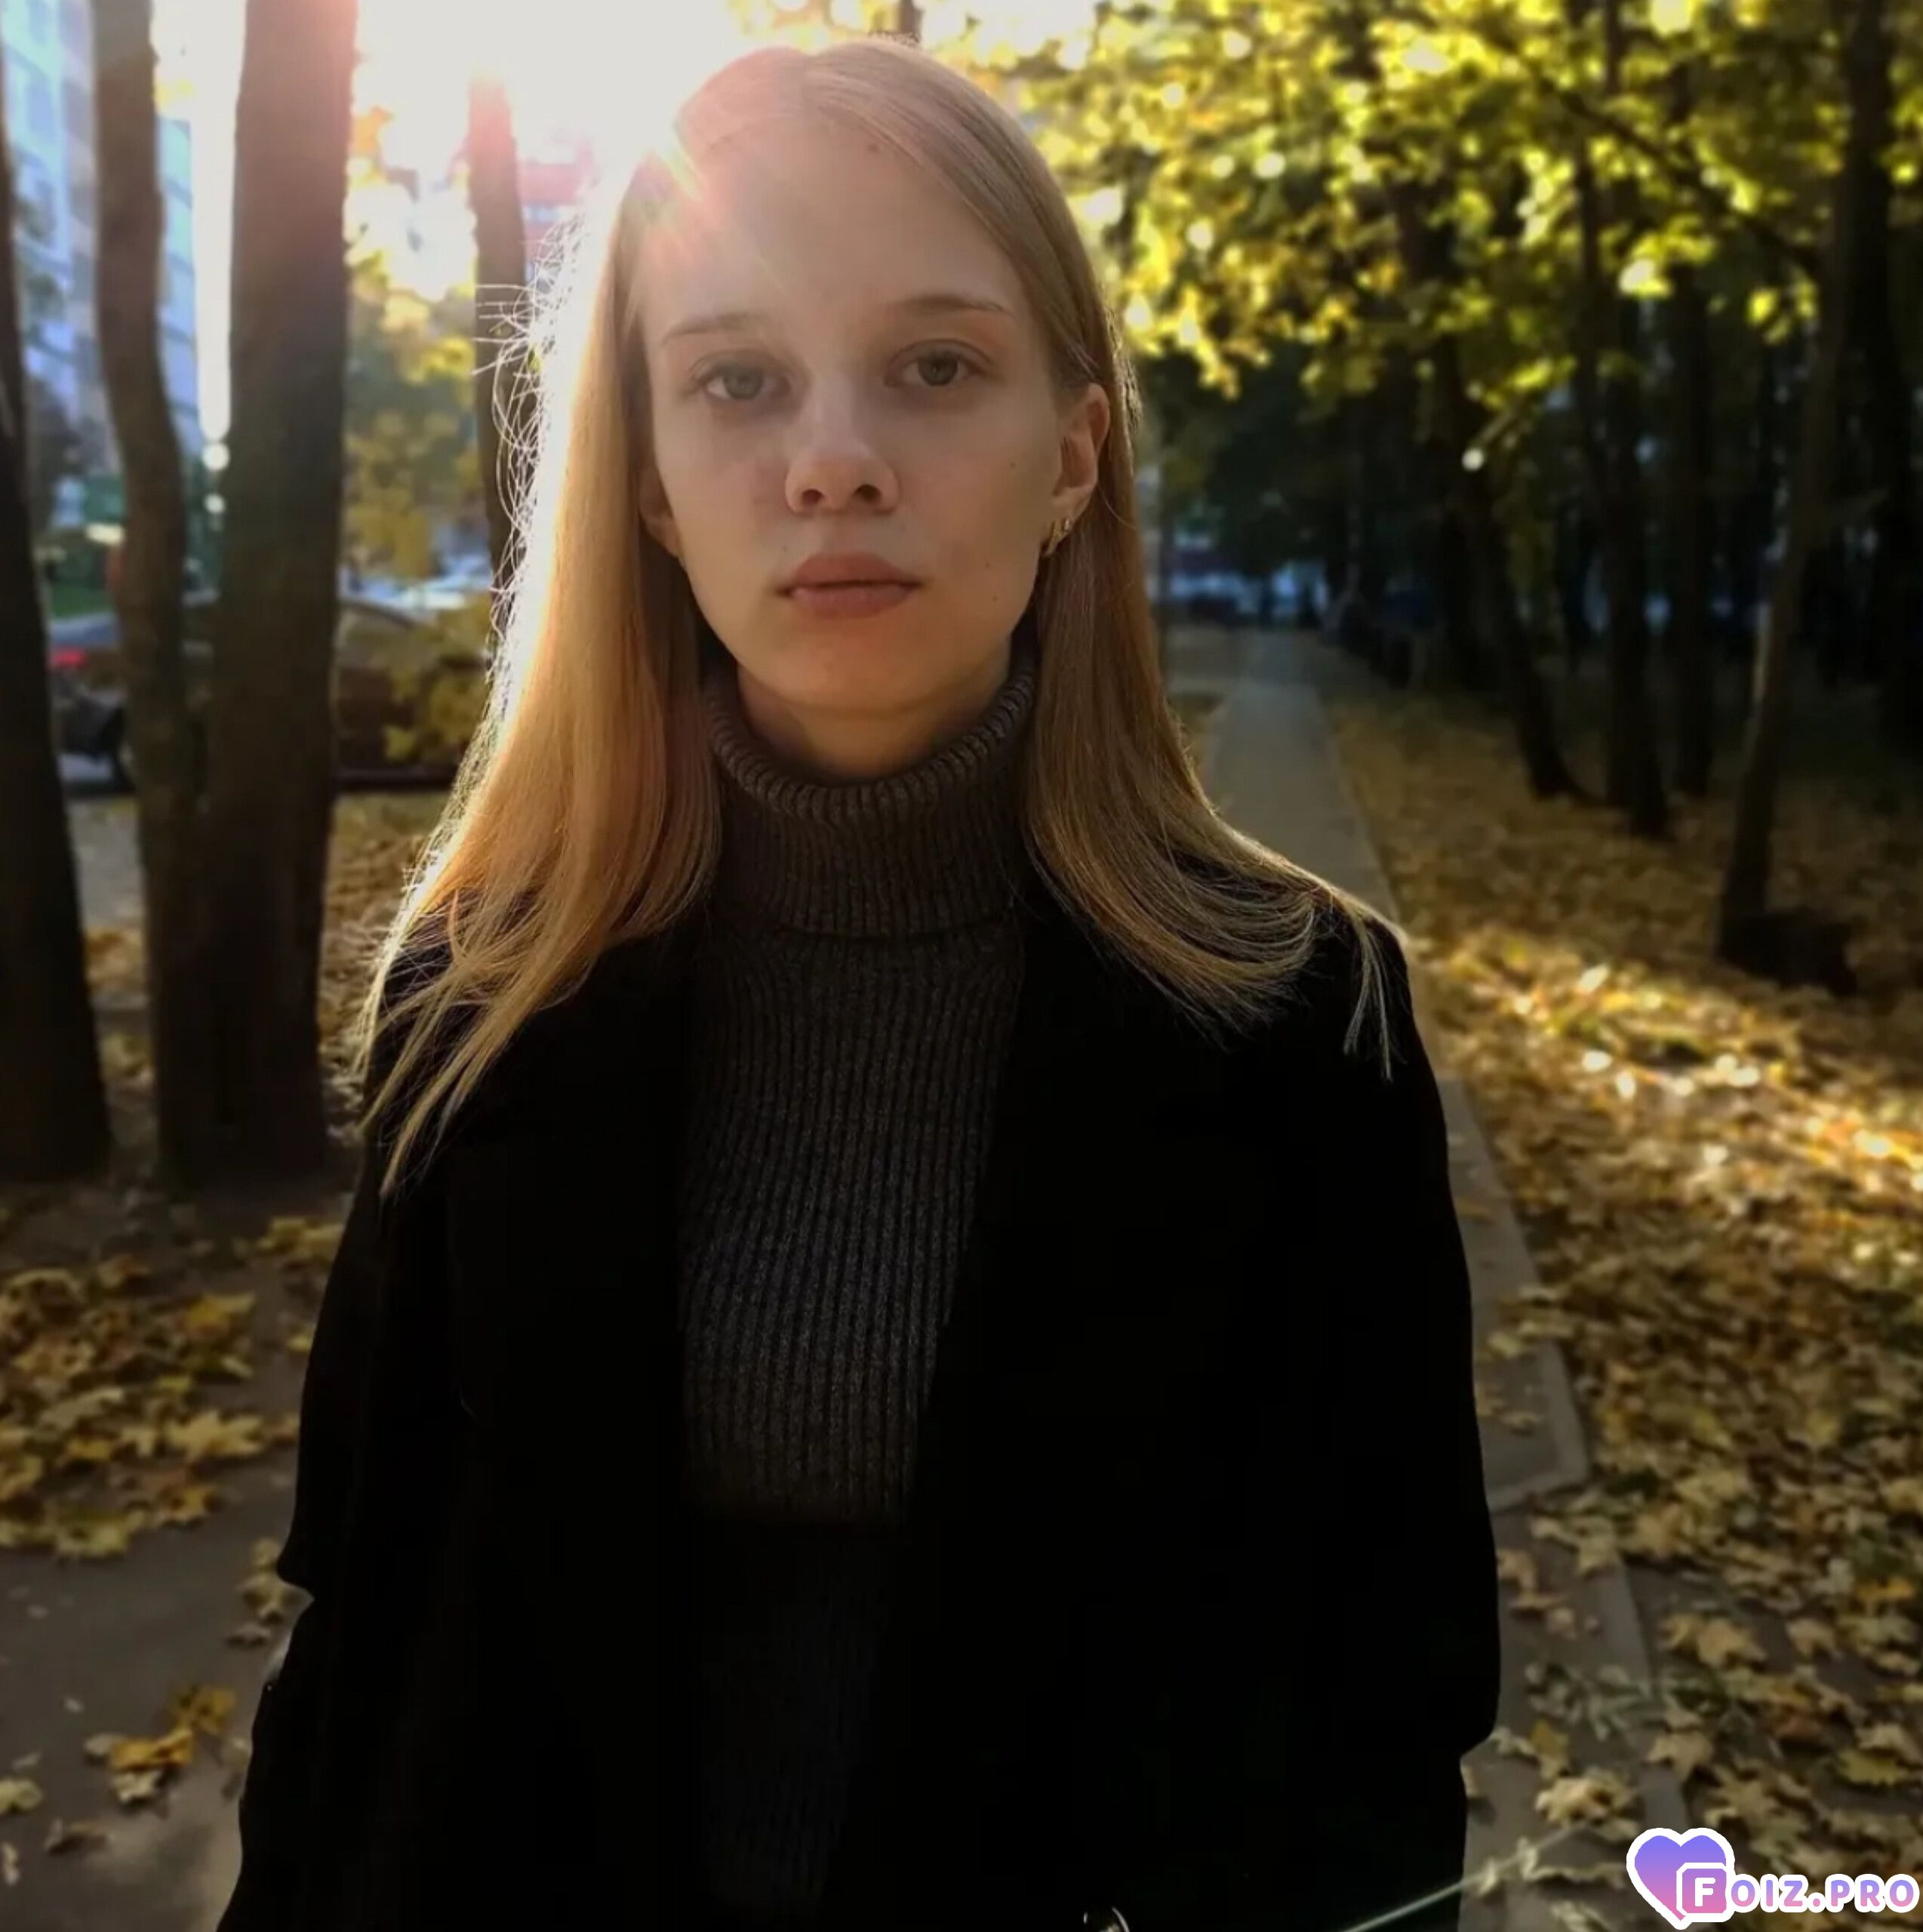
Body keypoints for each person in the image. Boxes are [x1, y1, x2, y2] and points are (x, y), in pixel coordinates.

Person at [218, 34, 1498, 1932]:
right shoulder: (482, 991)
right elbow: (363, 1618)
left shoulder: (1304, 1022)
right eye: (736, 380)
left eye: (935, 367)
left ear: (1072, 454)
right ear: (653, 487)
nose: (832, 461)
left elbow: (1384, 1704)